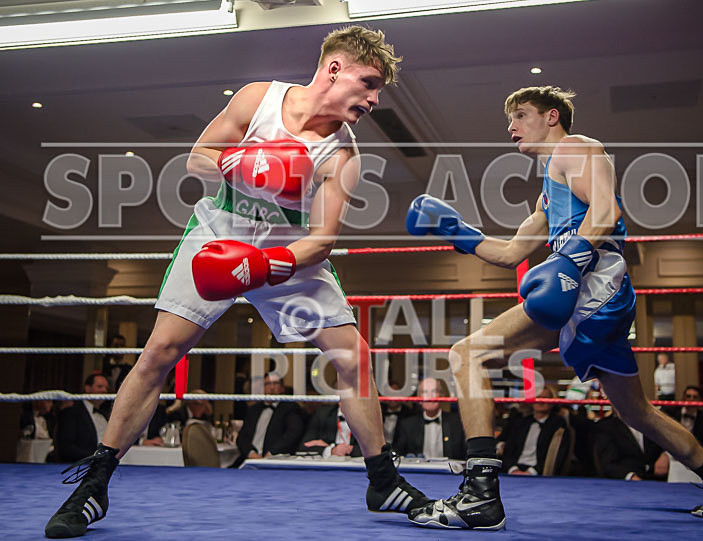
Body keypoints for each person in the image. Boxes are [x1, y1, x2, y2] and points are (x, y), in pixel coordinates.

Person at [45, 26, 428, 539]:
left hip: (286, 254)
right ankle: (94, 483)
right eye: (370, 82)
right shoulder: (258, 99)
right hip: (218, 234)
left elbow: (322, 240)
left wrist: (264, 267)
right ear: (335, 69)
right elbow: (196, 159)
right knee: (160, 353)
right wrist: (242, 164)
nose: (375, 98)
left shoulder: (343, 154)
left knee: (353, 358)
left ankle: (381, 479)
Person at [403, 86, 703, 529]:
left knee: (466, 355)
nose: (510, 127)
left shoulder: (577, 149)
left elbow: (607, 211)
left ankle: (480, 495)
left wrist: (568, 263)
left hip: (591, 290)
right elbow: (512, 252)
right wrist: (458, 232)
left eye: (520, 115)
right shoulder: (549, 191)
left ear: (552, 116)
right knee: (637, 413)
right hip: (594, 296)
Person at [497, 386, 568, 475]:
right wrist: (513, 469)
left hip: (540, 473)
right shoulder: (521, 423)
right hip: (513, 470)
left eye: (545, 398)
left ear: (552, 402)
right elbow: (509, 450)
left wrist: (531, 472)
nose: (541, 401)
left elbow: (557, 455)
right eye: (538, 397)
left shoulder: (558, 424)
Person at [392, 378, 466, 460]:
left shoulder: (457, 423)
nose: (429, 396)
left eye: (434, 391)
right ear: (419, 399)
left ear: (441, 396)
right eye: (425, 392)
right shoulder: (407, 425)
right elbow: (397, 457)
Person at [236, 374, 304, 462]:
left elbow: (292, 434)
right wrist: (251, 453)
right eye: (267, 384)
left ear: (282, 388)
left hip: (275, 460)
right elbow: (242, 437)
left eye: (275, 384)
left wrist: (272, 453)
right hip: (249, 459)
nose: (271, 388)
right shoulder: (253, 410)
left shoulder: (290, 408)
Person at [594, 409, 668, 481]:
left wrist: (665, 454)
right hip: (625, 484)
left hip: (657, 480)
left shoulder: (653, 423)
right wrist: (630, 476)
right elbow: (609, 464)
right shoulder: (606, 427)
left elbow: (669, 443)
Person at [56, 374, 110, 463]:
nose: (104, 390)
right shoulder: (72, 412)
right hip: (81, 467)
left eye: (106, 388)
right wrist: (96, 457)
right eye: (100, 387)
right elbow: (66, 448)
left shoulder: (104, 414)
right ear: (88, 389)